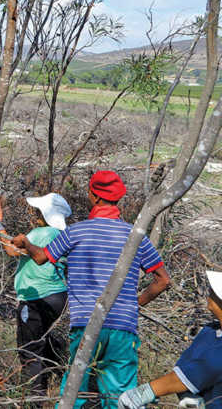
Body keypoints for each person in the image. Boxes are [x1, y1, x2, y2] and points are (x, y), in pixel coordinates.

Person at [10, 171, 171, 408]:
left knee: (74, 393)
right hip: (123, 327)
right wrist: (134, 304)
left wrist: (26, 243)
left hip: (86, 323)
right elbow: (163, 280)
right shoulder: (136, 236)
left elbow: (42, 257)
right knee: (120, 398)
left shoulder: (76, 232)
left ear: (94, 197)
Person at [0, 193, 71, 393]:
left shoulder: (43, 233)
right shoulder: (63, 234)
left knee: (30, 350)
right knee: (50, 345)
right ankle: (56, 389)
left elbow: (13, 251)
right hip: (59, 297)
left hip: (36, 299)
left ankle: (34, 398)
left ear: (46, 215)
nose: (34, 214)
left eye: (38, 211)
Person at [118, 270, 222, 409]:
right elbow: (186, 369)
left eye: (214, 290)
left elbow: (197, 372)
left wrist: (146, 392)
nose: (210, 291)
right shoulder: (211, 331)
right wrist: (186, 394)